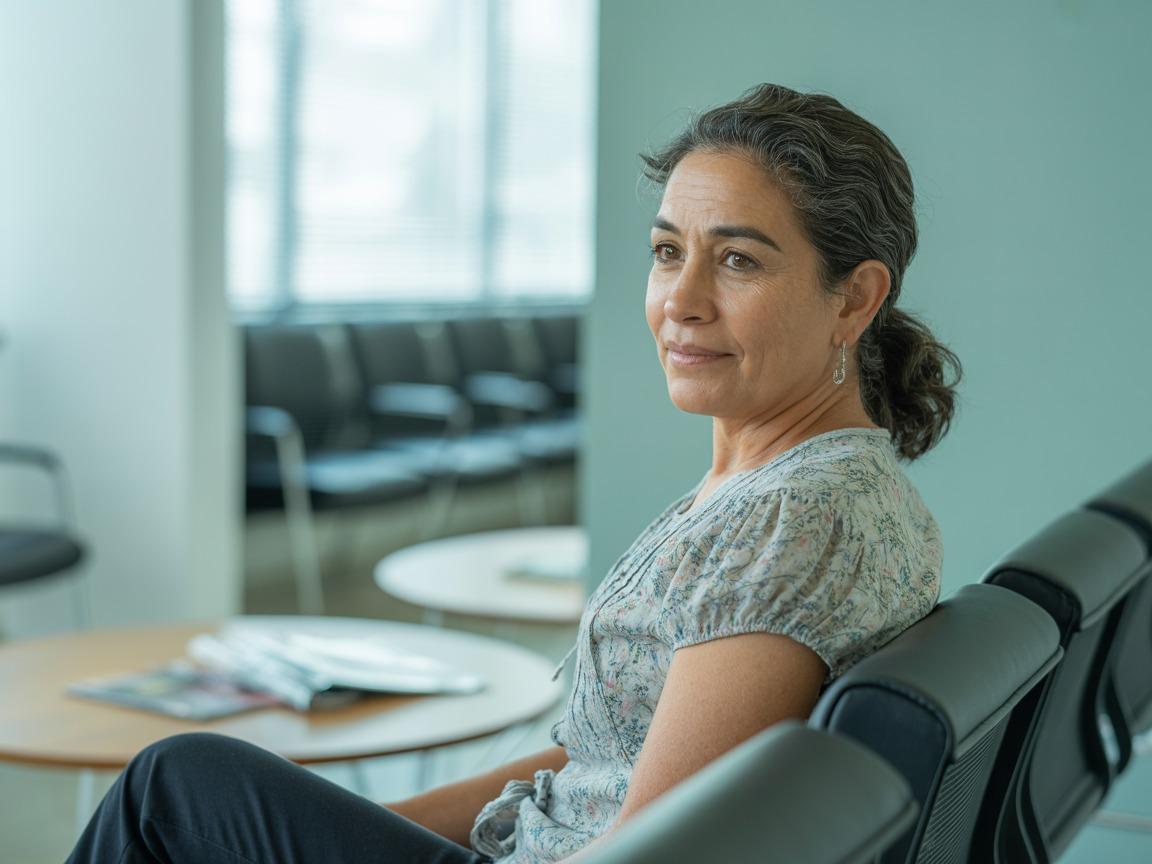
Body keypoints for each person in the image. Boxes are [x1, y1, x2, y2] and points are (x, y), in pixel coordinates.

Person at [66, 82, 960, 864]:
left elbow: (664, 852)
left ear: (855, 297)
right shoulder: (814, 488)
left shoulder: (792, 523)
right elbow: (594, 761)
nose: (681, 302)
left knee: (176, 784)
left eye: (737, 260)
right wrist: (345, 829)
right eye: (666, 252)